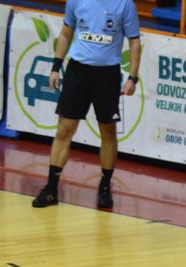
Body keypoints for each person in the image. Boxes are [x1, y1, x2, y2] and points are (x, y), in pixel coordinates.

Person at [31, 0, 142, 210]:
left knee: (108, 131)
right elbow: (66, 33)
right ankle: (51, 188)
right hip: (78, 71)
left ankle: (105, 187)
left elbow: (134, 41)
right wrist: (55, 67)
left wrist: (133, 77)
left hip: (107, 74)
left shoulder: (125, 4)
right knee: (64, 130)